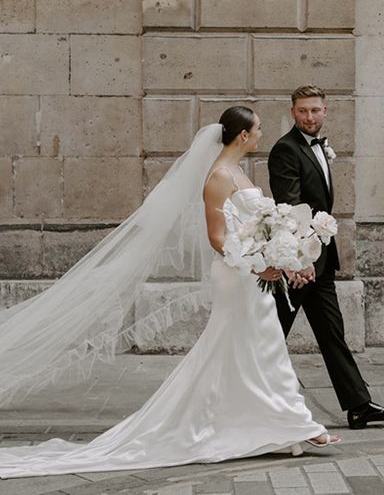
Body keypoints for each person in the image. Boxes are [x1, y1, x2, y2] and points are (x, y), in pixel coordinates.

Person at [0, 107, 338, 480]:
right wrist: (259, 264)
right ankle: (292, 423)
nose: (261, 135)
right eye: (257, 129)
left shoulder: (238, 172)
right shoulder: (218, 177)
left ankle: (278, 424)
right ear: (243, 135)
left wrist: (283, 252)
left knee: (248, 344)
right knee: (253, 342)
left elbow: (254, 226)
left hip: (251, 271)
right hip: (236, 273)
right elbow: (217, 237)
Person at [268, 85, 384, 430]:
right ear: (292, 112)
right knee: (269, 335)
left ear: (325, 111)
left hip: (321, 262)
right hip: (299, 263)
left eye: (315, 110)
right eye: (302, 111)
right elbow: (291, 210)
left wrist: (318, 259)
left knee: (332, 334)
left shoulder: (320, 148)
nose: (309, 117)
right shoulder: (285, 150)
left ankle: (359, 406)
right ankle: (241, 400)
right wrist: (301, 261)